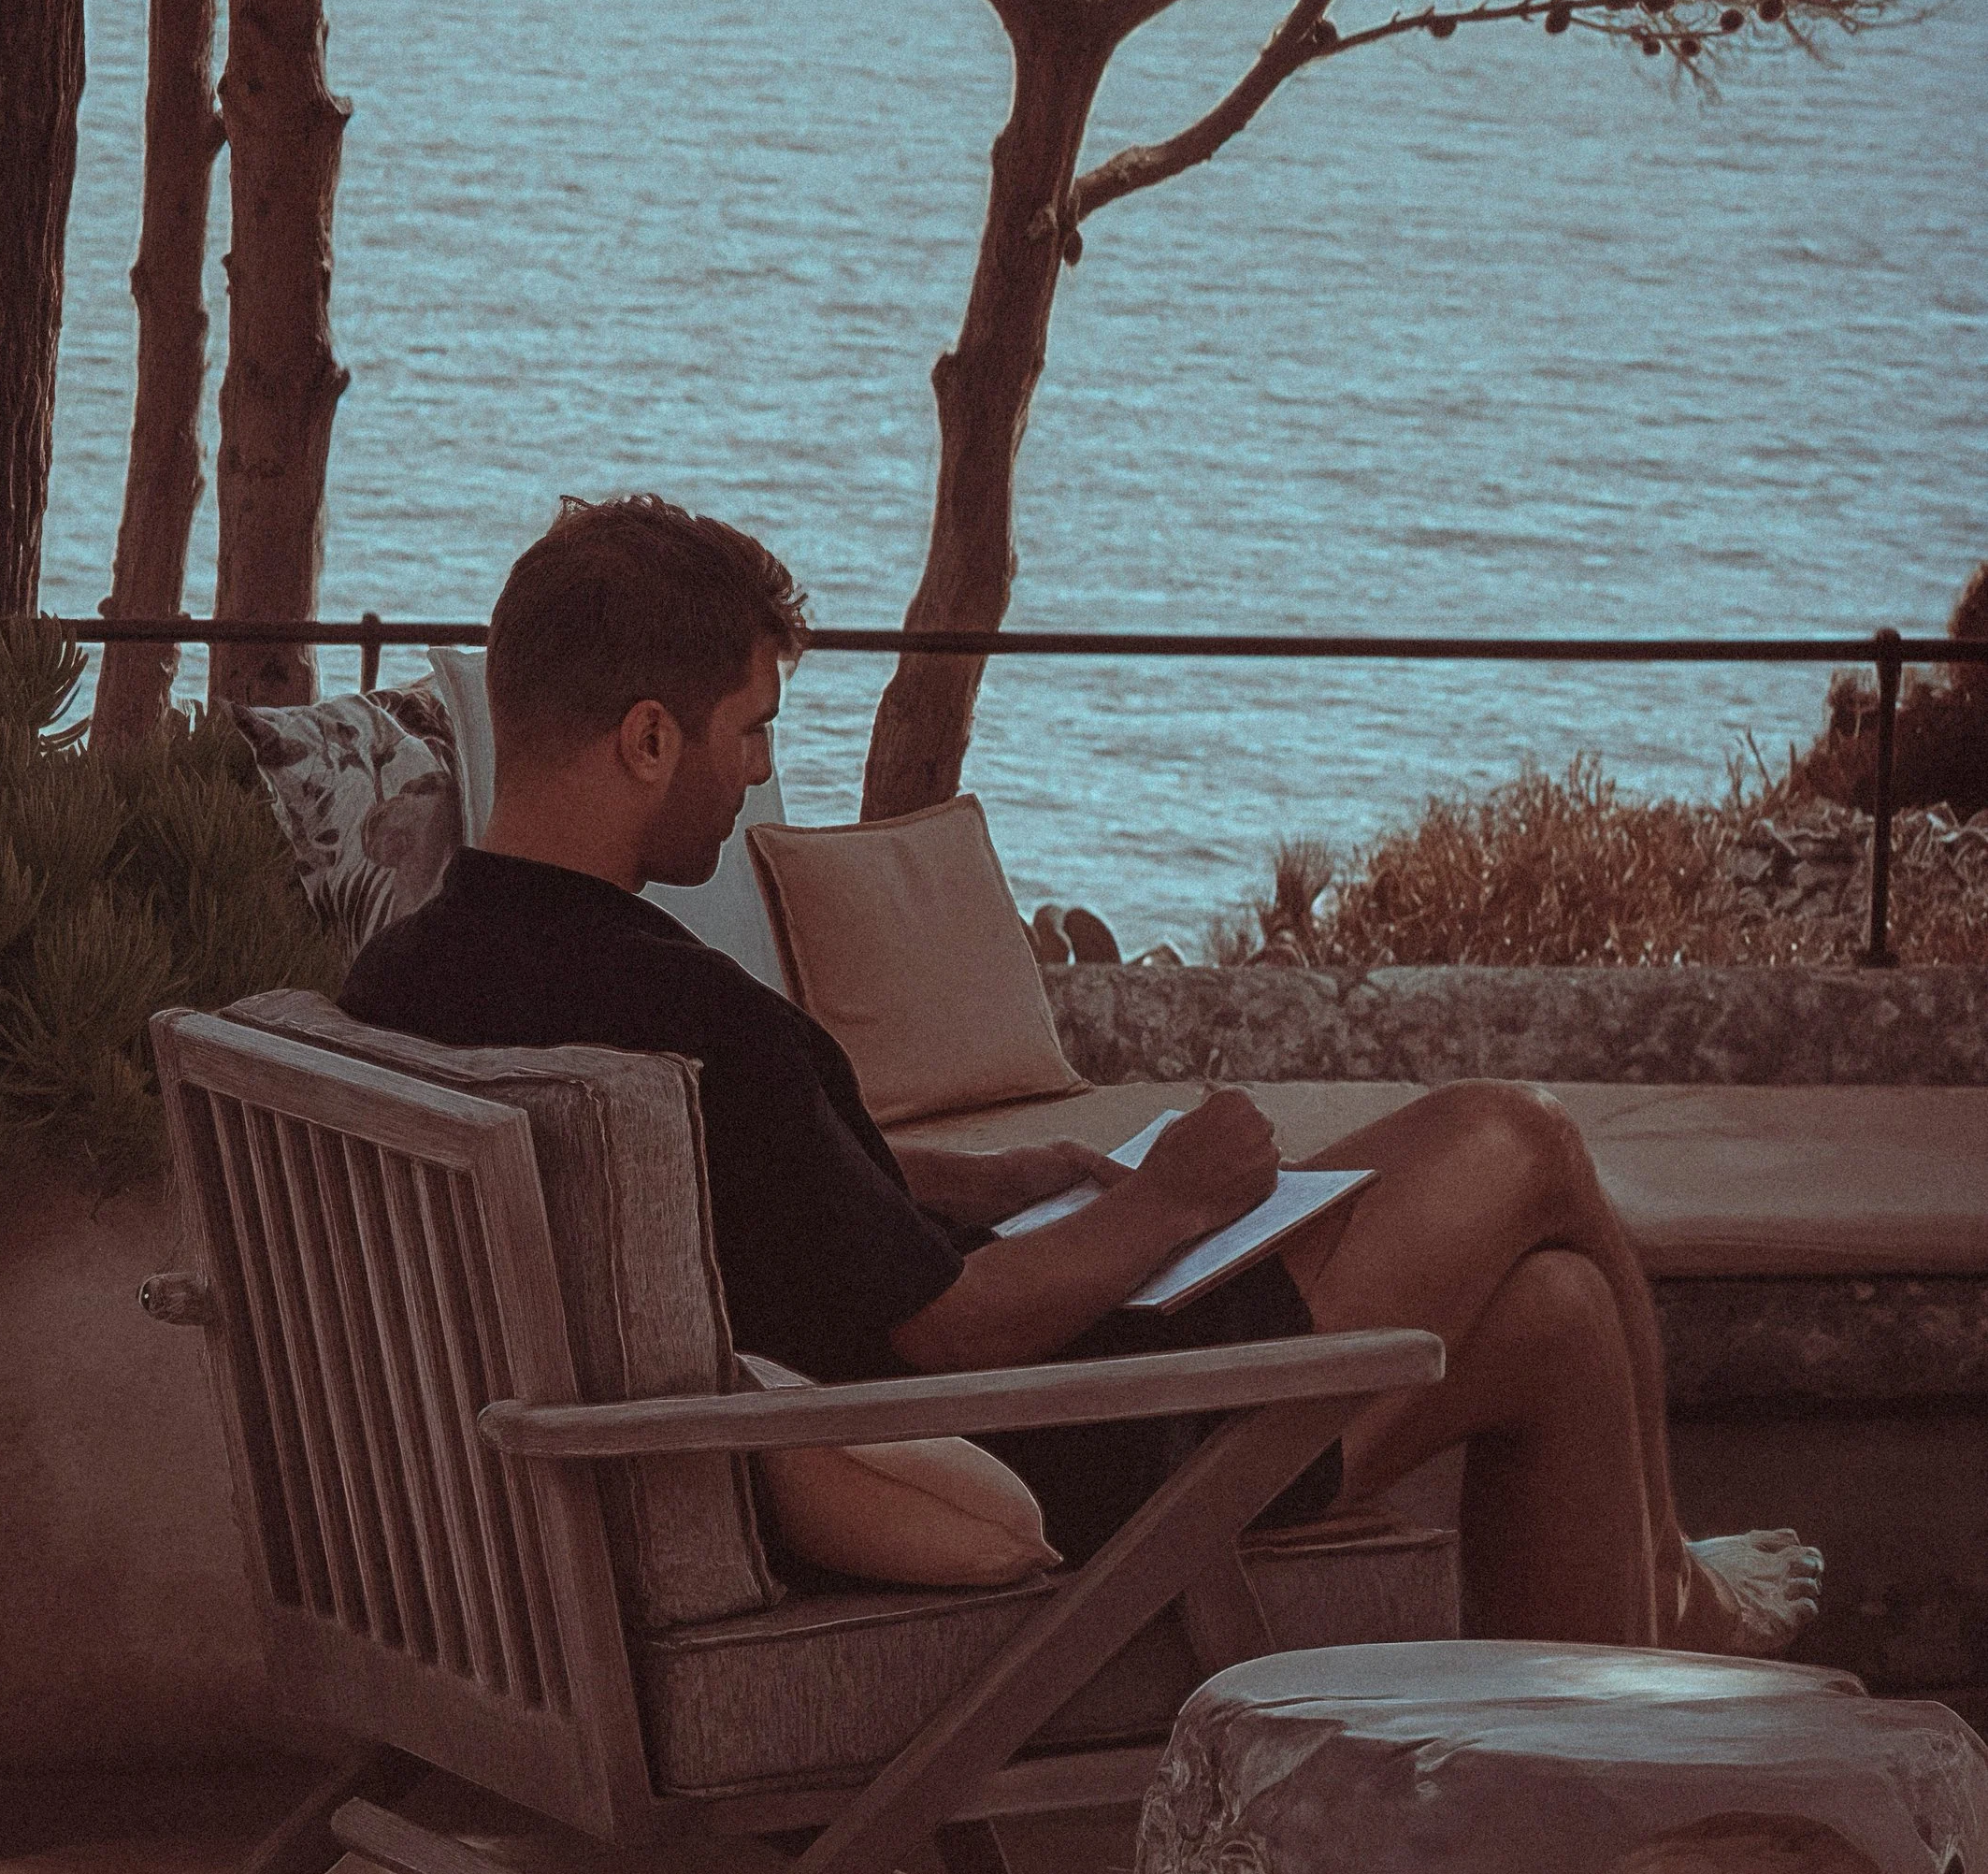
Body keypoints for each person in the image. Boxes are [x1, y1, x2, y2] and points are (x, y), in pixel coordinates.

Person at [341, 495, 1822, 1654]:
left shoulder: (406, 984)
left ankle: (1565, 1830)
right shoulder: (694, 1015)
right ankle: (1671, 1594)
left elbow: (696, 1192)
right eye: (748, 735)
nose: (750, 777)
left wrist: (967, 1179)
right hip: (1043, 1451)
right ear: (648, 737)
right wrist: (1172, 1203)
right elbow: (945, 1339)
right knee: (1517, 1133)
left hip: (722, 1468)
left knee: (1555, 1325)